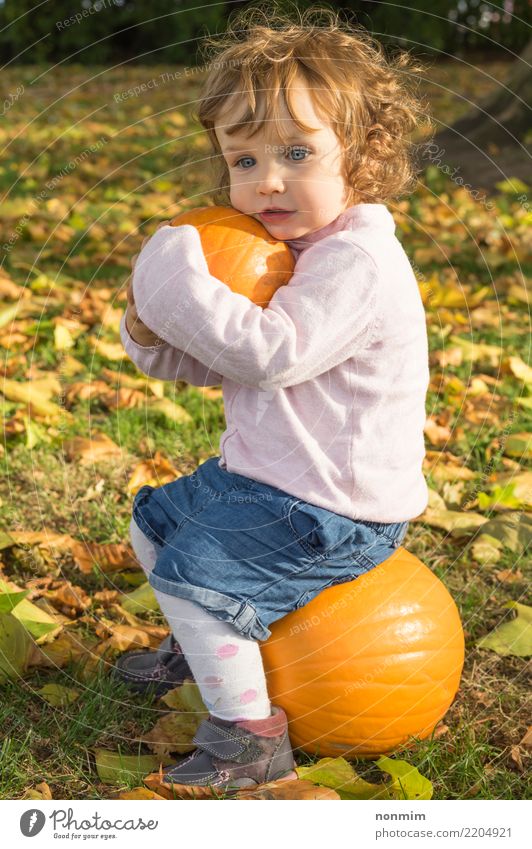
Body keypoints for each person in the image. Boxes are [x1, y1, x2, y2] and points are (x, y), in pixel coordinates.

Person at [115, 4, 431, 793]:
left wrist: (176, 282)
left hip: (331, 508)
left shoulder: (356, 260)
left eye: (296, 153)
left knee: (196, 574)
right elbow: (215, 363)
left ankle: (248, 739)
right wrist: (150, 326)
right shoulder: (282, 252)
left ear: (361, 154)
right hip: (267, 481)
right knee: (153, 522)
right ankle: (209, 654)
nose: (268, 180)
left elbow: (269, 354)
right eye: (244, 159)